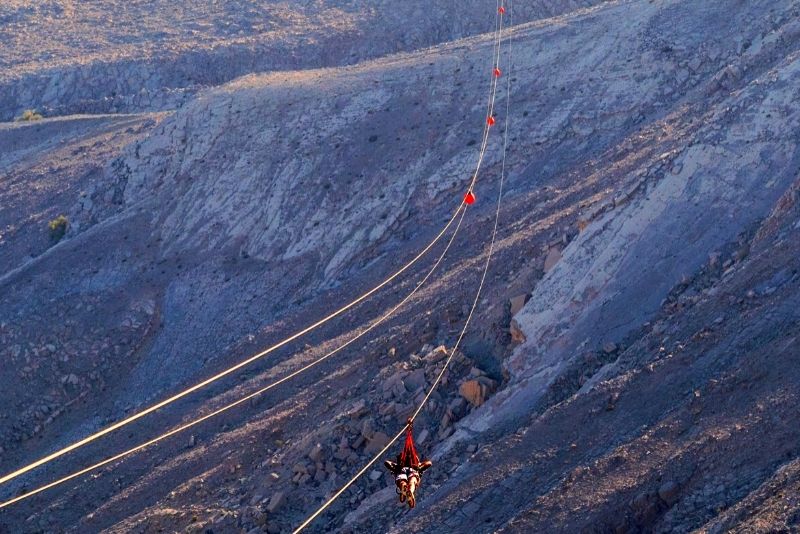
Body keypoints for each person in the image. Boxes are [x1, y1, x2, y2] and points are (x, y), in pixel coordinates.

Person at [383, 419, 432, 508]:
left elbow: (387, 463)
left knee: (404, 481)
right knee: (412, 481)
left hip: (403, 471)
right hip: (412, 471)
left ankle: (405, 489)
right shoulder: (414, 466)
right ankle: (409, 491)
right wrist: (420, 467)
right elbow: (429, 463)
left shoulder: (398, 466)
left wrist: (394, 467)